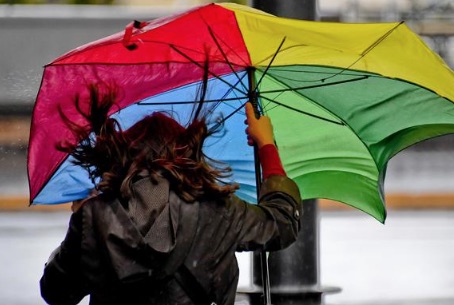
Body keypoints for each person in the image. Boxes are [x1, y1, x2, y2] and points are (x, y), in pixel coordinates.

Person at [39, 86, 302, 305]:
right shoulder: (221, 210)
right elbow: (282, 222)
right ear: (185, 157)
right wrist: (266, 145)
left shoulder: (96, 215)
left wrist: (81, 225)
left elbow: (57, 292)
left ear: (125, 158)